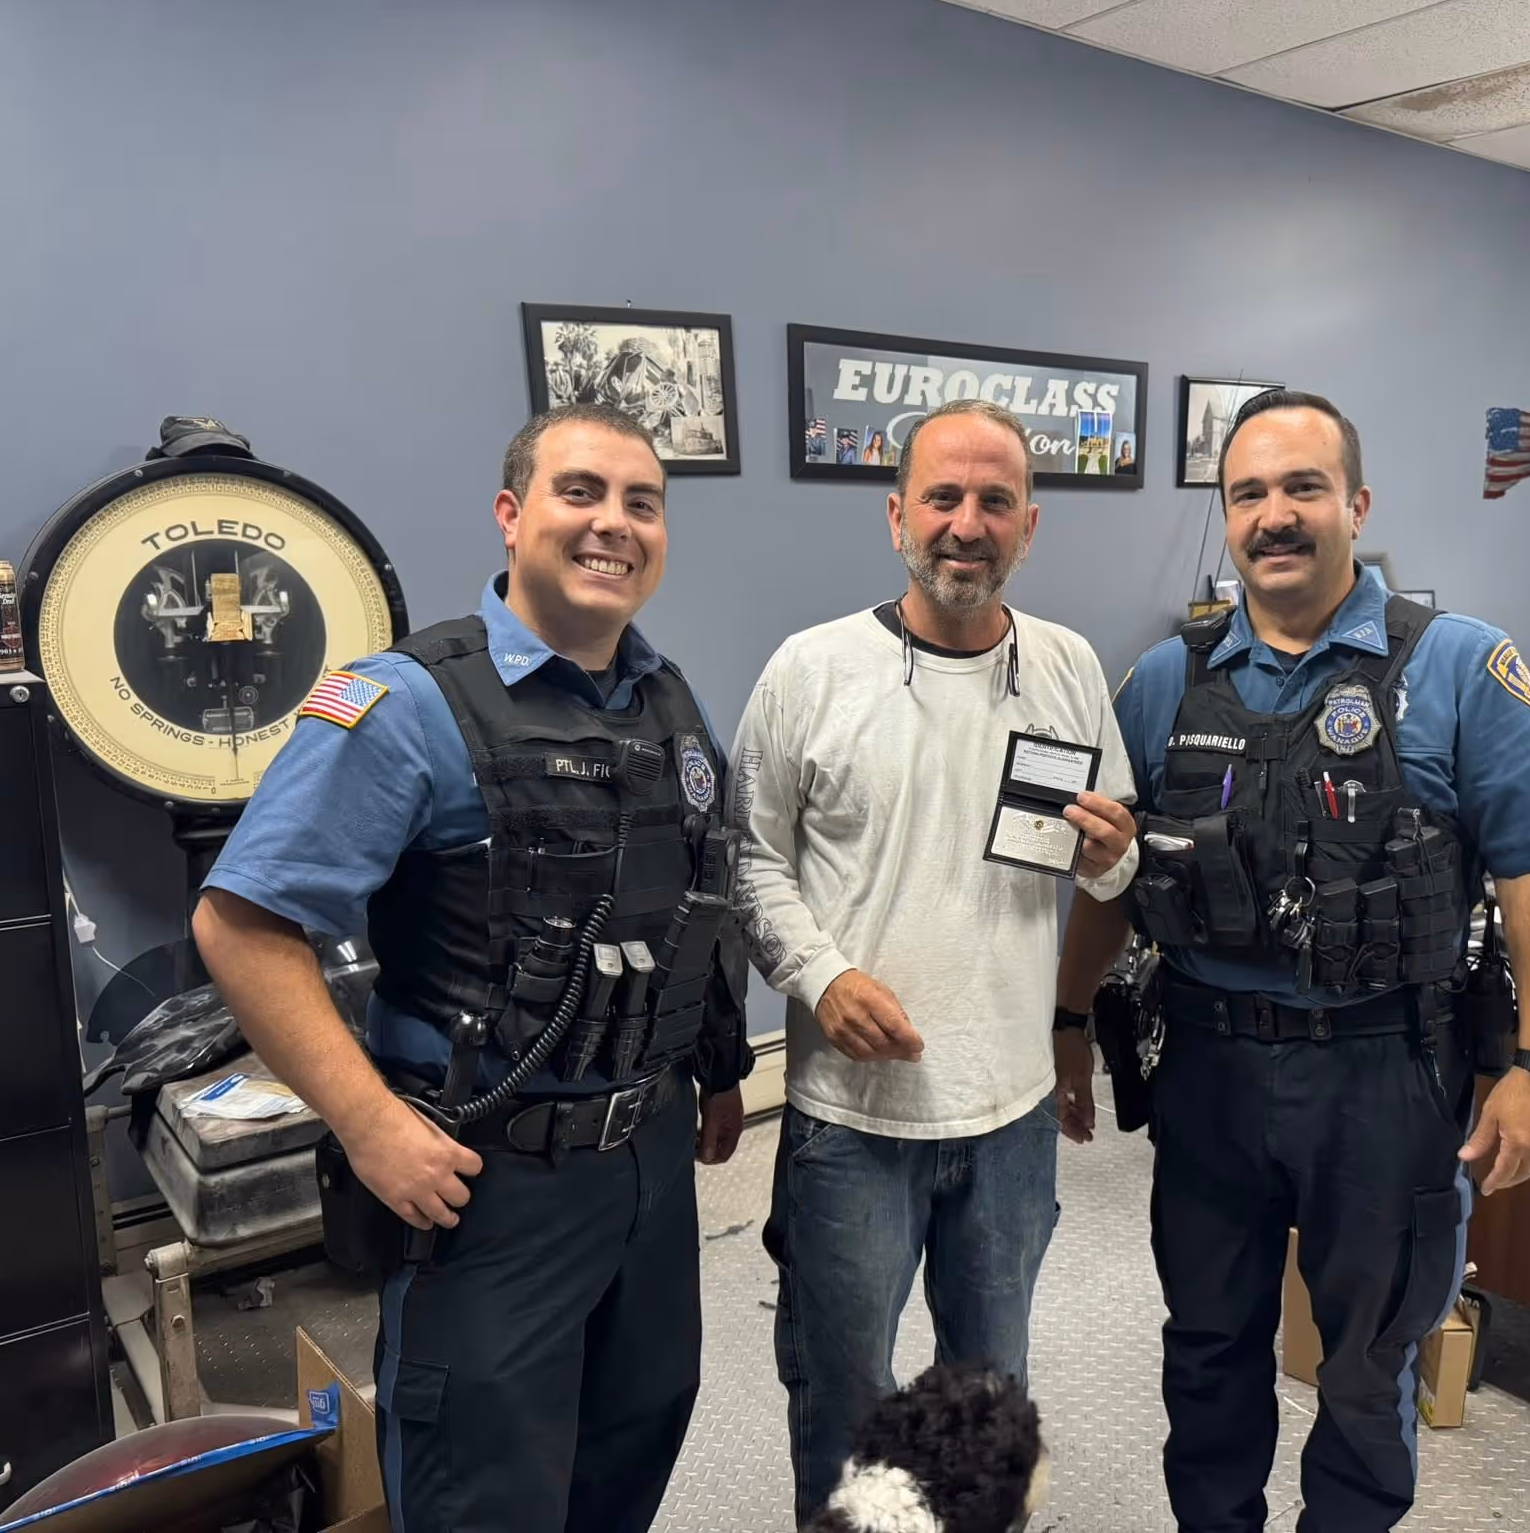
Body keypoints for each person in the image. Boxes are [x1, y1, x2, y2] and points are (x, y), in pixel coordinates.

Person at [192, 402, 752, 1533]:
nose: (613, 524)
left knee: (632, 1443)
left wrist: (719, 1063)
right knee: (485, 1490)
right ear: (510, 514)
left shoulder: (667, 696)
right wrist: (368, 1125)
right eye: (579, 492)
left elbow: (688, 896)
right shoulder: (404, 705)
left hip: (648, 1166)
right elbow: (242, 927)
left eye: (641, 503)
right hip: (487, 1179)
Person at [1054, 388, 1530, 1533]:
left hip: (1383, 1075)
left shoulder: (1458, 666)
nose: (1275, 515)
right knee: (1206, 1349)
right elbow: (1107, 869)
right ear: (1225, 517)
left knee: (1364, 1366)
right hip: (1206, 1069)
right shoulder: (1161, 682)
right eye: (1247, 493)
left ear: (1355, 505)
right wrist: (1067, 1021)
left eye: (1302, 487)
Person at [729, 397, 1139, 1525]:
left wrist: (1114, 862)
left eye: (994, 501)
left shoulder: (1067, 666)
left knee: (990, 1406)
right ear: (896, 514)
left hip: (1009, 1121)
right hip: (850, 1125)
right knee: (842, 1406)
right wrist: (820, 976)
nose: (967, 524)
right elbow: (749, 863)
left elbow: (1110, 870)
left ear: (1028, 526)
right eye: (943, 498)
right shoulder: (809, 670)